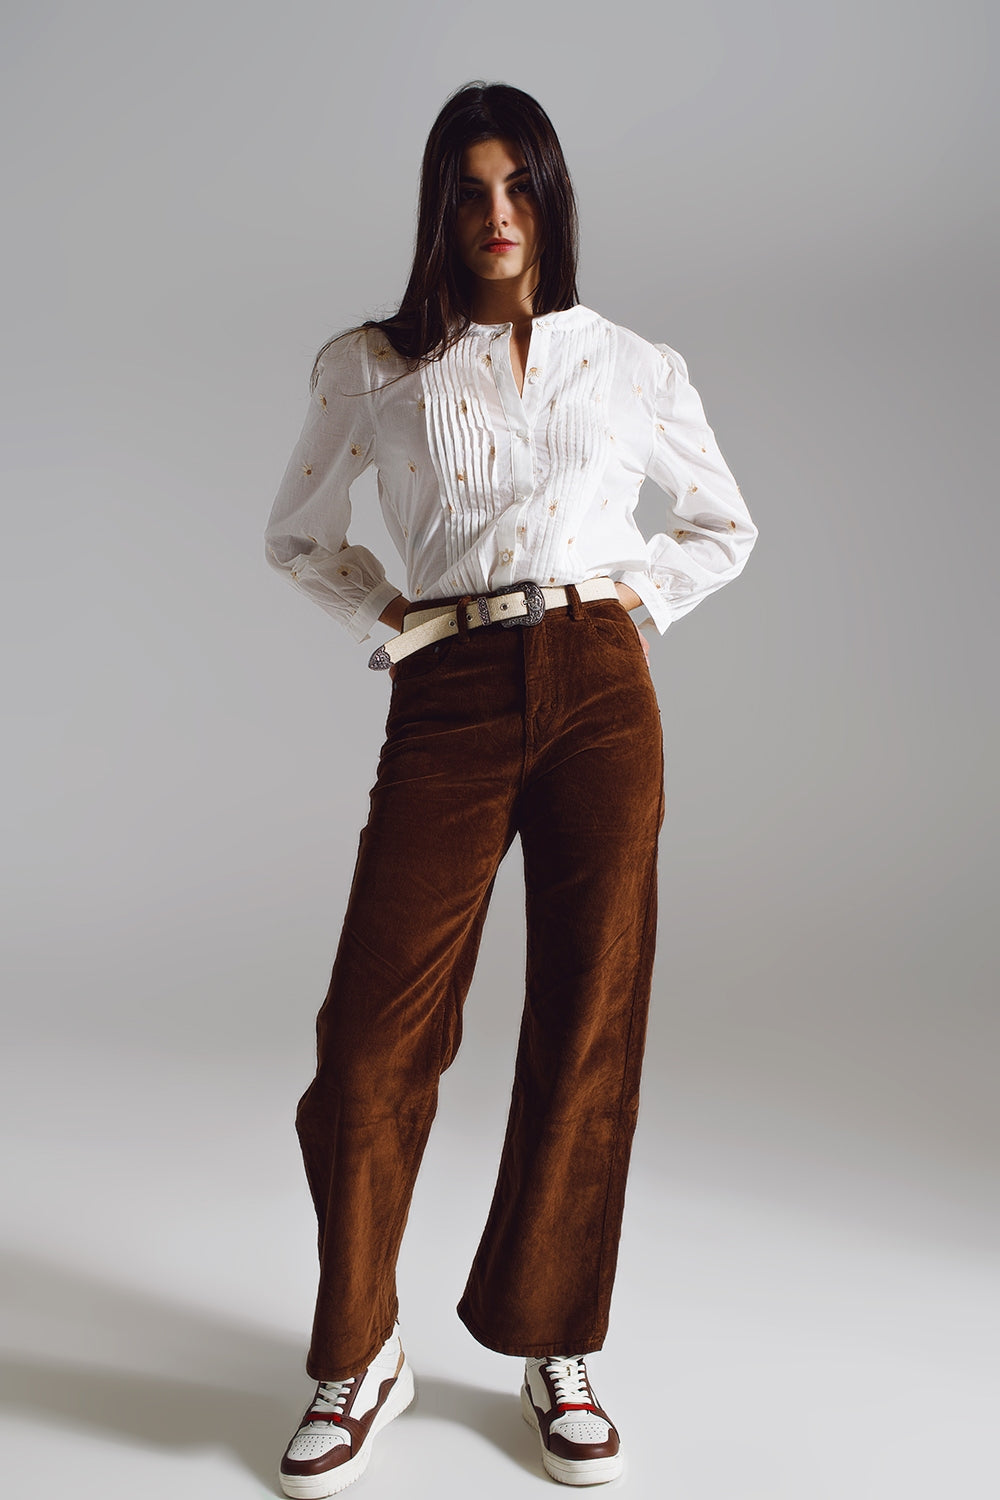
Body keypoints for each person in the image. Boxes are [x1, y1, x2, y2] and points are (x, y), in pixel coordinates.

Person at [263, 80, 757, 1495]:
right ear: (438, 207)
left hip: (601, 688)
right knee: (370, 1040)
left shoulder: (631, 364)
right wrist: (395, 616)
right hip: (452, 689)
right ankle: (360, 1347)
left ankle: (556, 1340)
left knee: (589, 1017)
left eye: (519, 184)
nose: (497, 213)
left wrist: (626, 605)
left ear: (552, 196)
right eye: (470, 189)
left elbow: (722, 522)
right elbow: (300, 535)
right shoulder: (370, 366)